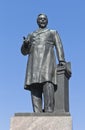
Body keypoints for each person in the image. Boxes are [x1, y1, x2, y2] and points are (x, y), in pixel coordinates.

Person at [21, 14, 65, 113]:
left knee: (48, 85)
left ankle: (49, 111)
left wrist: (61, 60)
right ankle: (37, 113)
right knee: (34, 87)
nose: (42, 20)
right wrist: (25, 44)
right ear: (37, 21)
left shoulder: (52, 33)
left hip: (47, 62)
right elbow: (24, 52)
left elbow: (59, 46)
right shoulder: (31, 35)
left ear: (47, 21)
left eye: (44, 19)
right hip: (33, 65)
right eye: (40, 19)